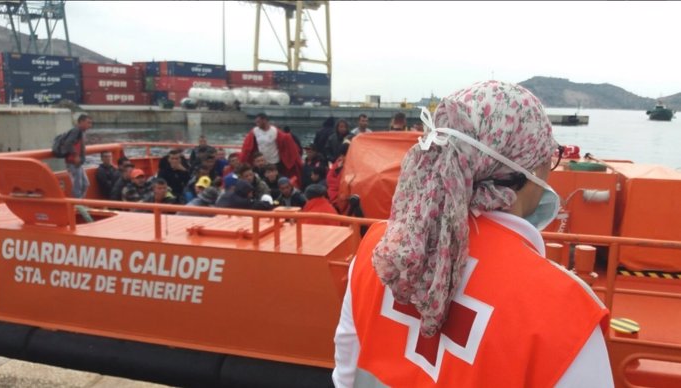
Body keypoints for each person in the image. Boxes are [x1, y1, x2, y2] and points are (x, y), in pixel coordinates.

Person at [333, 81, 612, 388]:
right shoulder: (564, 310)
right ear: (527, 171)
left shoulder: (377, 249)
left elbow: (346, 374)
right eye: (549, 156)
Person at [239, 113, 303, 185]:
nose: (257, 124)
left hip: (274, 162)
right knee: (262, 180)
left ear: (265, 120)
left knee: (274, 180)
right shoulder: (255, 131)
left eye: (258, 122)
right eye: (256, 122)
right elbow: (247, 147)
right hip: (262, 162)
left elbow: (286, 143)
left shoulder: (275, 131)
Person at [62, 114, 93, 198]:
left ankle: (80, 203)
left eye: (91, 123)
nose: (90, 125)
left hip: (78, 163)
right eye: (88, 123)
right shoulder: (76, 131)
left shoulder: (81, 132)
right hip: (73, 163)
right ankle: (78, 205)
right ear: (81, 122)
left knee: (85, 184)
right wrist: (75, 156)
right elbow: (68, 143)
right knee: (78, 186)